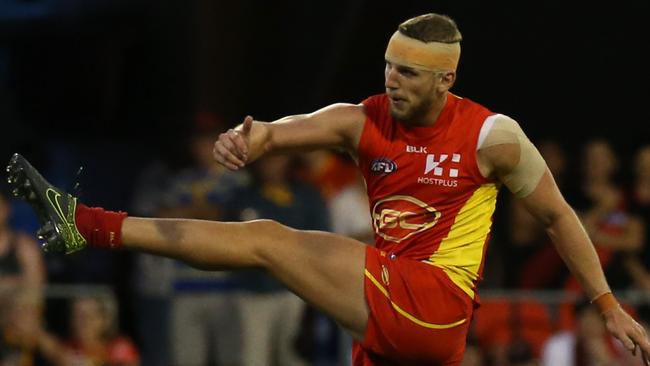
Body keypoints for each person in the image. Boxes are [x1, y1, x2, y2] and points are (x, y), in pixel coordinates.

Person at [6, 12, 650, 365]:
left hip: (436, 303)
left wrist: (605, 306)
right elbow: (284, 132)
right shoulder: (363, 119)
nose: (392, 82)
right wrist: (246, 138)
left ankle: (82, 223)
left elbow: (561, 218)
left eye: (409, 73)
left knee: (267, 241)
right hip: (389, 321)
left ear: (446, 80)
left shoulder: (493, 137)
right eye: (388, 66)